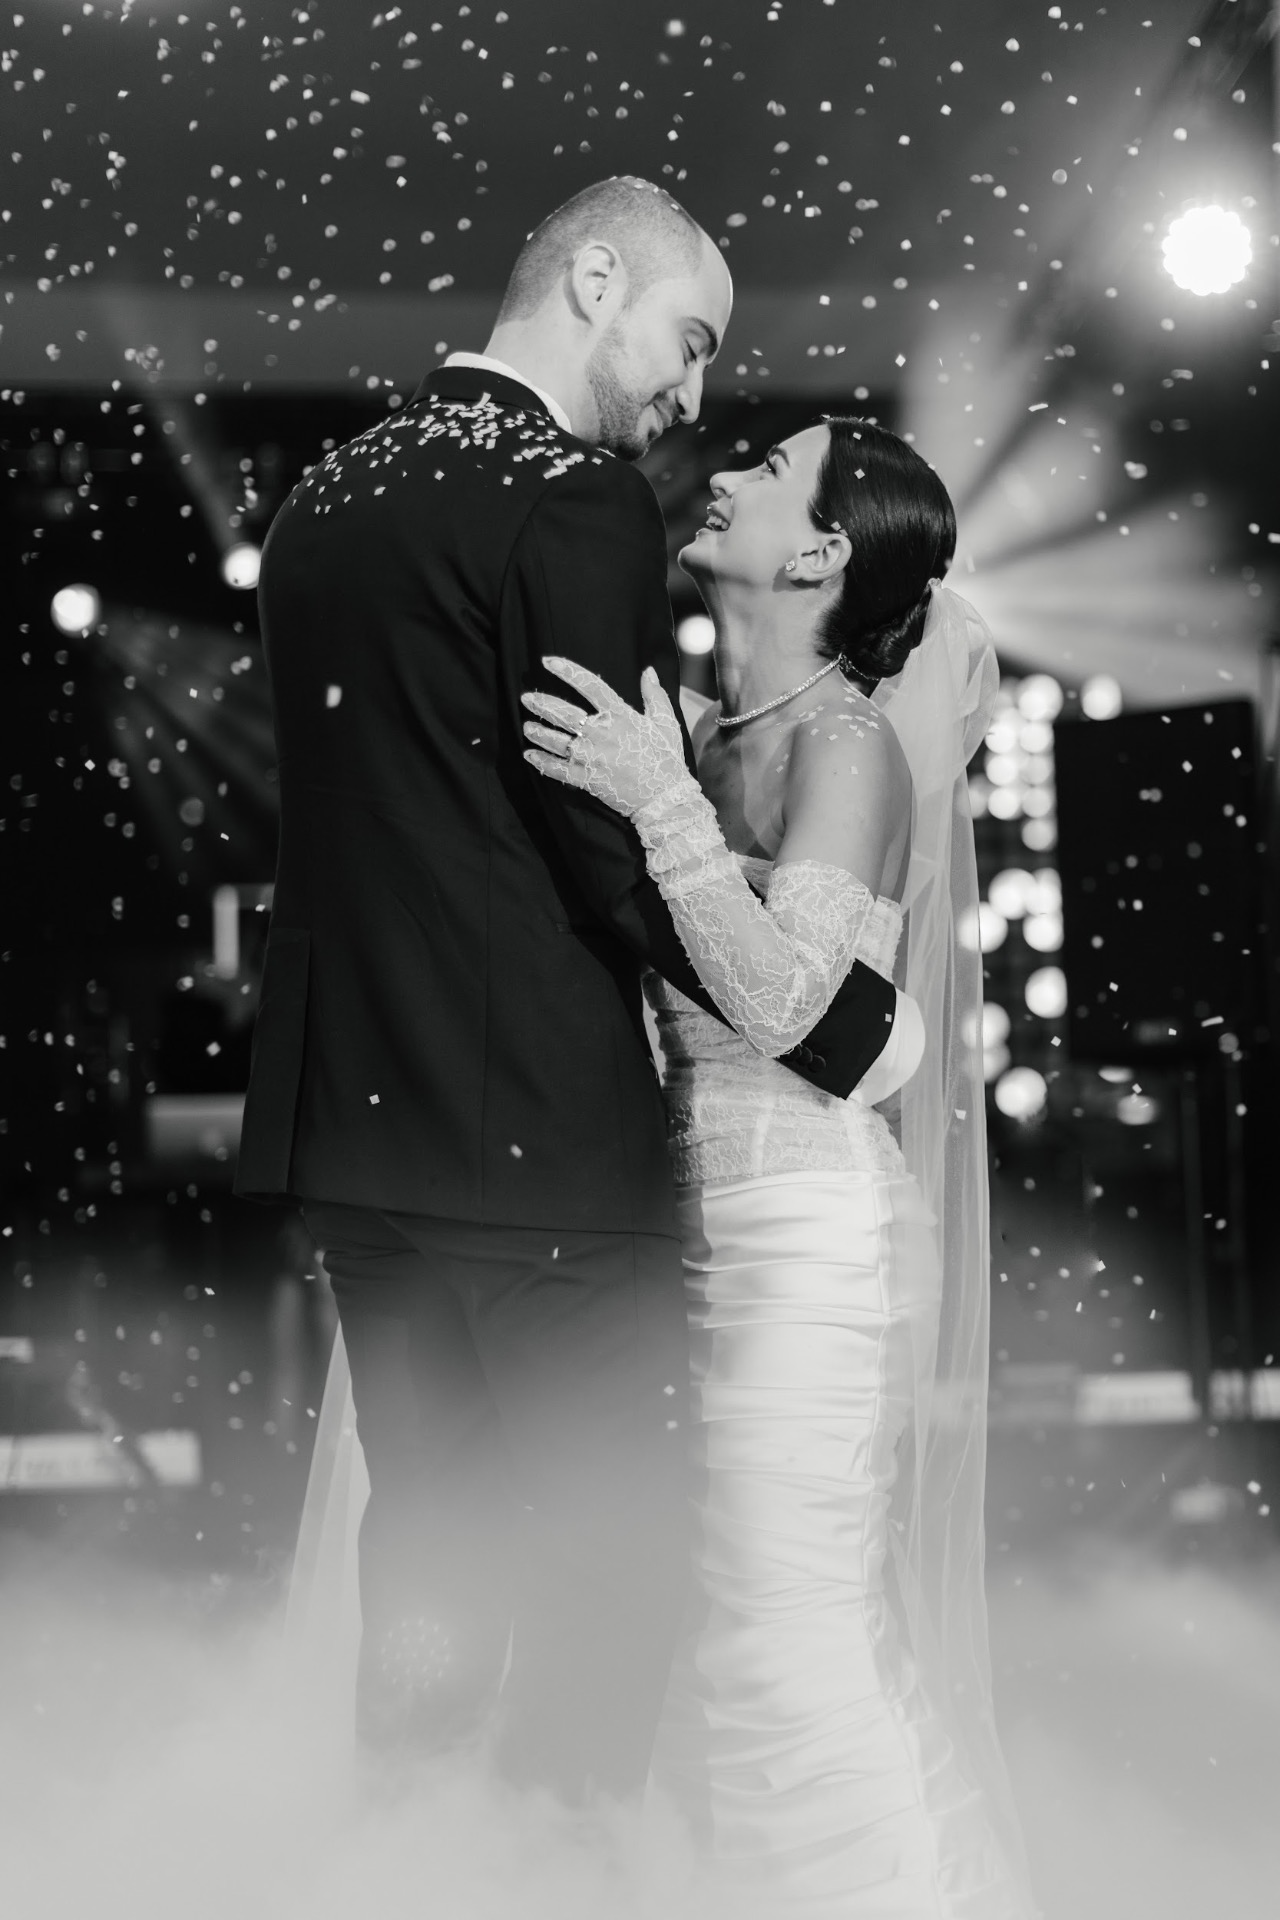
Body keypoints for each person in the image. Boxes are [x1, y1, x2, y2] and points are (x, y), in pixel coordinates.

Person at [235, 178, 906, 1804]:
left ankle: (408, 1856)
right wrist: (831, 1027)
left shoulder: (325, 494)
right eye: (688, 340)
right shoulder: (573, 499)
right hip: (535, 1137)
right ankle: (564, 1875)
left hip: (354, 1133)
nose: (691, 394)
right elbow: (603, 848)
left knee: (432, 1539)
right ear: (595, 282)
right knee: (612, 1569)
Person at [522, 417, 1036, 1915]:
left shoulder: (846, 742)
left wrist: (665, 809)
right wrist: (663, 778)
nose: (728, 476)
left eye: (770, 470)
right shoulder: (687, 727)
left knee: (783, 1637)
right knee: (705, 1637)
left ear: (819, 553)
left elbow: (800, 1005)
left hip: (809, 1234)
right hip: (677, 1224)